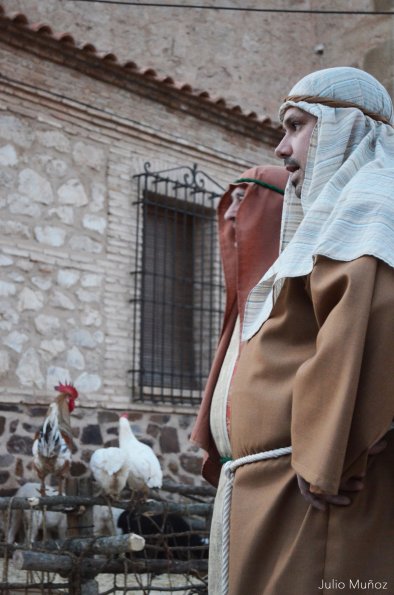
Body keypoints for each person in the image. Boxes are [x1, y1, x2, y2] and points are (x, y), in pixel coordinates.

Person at [219, 67, 394, 595]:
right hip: (277, 492)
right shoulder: (343, 212)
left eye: (296, 126)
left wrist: (327, 458)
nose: (281, 147)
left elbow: (370, 326)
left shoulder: (371, 208)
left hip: (319, 505)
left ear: (347, 128)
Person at [191, 164, 288, 592]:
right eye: (228, 201)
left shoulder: (292, 298)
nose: (230, 214)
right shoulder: (240, 309)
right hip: (236, 483)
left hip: (276, 489)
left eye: (243, 199)